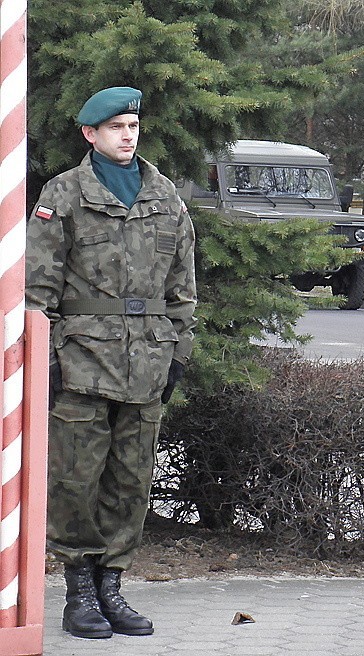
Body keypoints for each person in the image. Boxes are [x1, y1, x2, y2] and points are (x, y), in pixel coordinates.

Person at [25, 87, 197, 639]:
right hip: (82, 360)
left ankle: (112, 587)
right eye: (117, 126)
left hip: (147, 359)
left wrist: (179, 350)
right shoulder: (66, 193)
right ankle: (79, 590)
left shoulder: (164, 195)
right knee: (76, 479)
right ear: (90, 134)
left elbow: (182, 285)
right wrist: (44, 355)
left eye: (133, 125)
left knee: (131, 480)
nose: (128, 135)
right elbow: (38, 284)